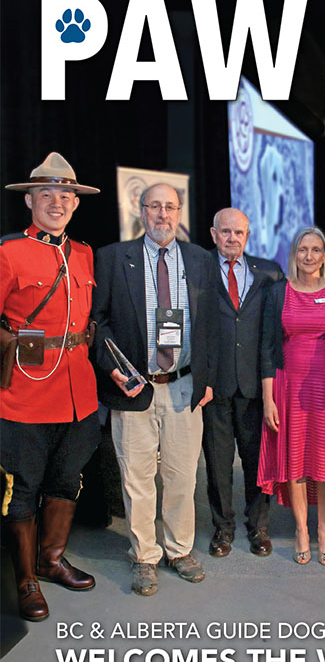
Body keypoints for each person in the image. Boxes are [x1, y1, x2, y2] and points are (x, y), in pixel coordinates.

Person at [92, 183, 218, 597]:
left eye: (170, 206)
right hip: (134, 388)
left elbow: (212, 326)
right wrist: (113, 370)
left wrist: (209, 378)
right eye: (154, 206)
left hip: (183, 386)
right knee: (137, 477)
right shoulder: (113, 258)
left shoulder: (200, 260)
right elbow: (99, 324)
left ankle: (179, 550)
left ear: (180, 211)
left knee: (182, 476)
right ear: (140, 210)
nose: (162, 214)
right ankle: (145, 556)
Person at [0, 152, 100, 622]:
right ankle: (26, 580)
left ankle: (51, 560)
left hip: (78, 391)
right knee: (24, 489)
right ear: (30, 202)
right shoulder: (8, 252)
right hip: (24, 392)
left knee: (66, 480)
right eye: (47, 195)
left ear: (76, 204)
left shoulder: (82, 252)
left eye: (66, 196)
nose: (57, 203)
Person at [258, 227, 325, 565]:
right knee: (296, 460)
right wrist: (268, 399)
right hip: (288, 387)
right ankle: (301, 528)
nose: (309, 256)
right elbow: (267, 350)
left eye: (316, 250)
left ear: (324, 256)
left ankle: (324, 530)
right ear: (294, 254)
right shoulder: (278, 293)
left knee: (324, 463)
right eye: (303, 249)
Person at [203, 207, 284, 558]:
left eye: (238, 232)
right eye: (225, 232)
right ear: (213, 234)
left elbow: (276, 336)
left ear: (247, 236)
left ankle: (259, 527)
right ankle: (222, 529)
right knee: (218, 467)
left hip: (255, 388)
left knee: (257, 463)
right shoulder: (197, 270)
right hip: (214, 387)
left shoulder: (269, 272)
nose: (232, 238)